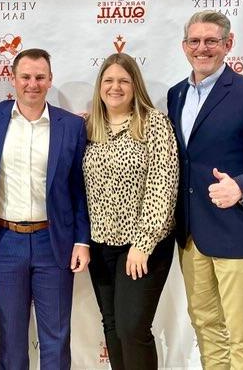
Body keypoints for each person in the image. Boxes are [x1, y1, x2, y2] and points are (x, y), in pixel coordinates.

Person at [167, 10, 243, 369]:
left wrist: (242, 187)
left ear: (228, 44)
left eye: (211, 41)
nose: (203, 48)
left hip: (239, 233)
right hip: (191, 237)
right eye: (195, 41)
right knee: (206, 327)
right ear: (185, 47)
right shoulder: (176, 95)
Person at [0, 48, 90, 369]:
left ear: (50, 80)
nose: (33, 84)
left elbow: (79, 188)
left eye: (40, 77)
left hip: (53, 241)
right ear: (12, 80)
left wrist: (82, 240)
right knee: (11, 338)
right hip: (4, 241)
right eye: (26, 77)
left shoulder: (70, 126)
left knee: (55, 337)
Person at [83, 53, 178, 369]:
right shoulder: (89, 127)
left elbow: (162, 187)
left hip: (142, 246)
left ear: (135, 85)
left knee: (132, 327)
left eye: (123, 80)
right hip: (101, 244)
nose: (115, 87)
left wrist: (143, 243)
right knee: (112, 326)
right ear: (100, 87)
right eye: (108, 80)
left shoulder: (154, 123)